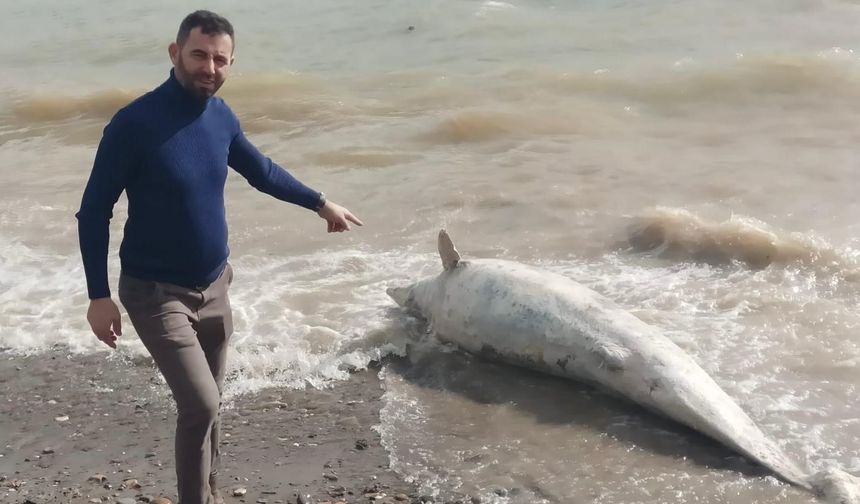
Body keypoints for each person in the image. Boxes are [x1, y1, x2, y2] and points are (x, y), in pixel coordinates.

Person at [76, 10, 363, 504]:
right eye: (199, 55)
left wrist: (320, 203)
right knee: (201, 405)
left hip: (215, 286)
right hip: (155, 293)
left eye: (220, 59)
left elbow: (263, 171)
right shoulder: (133, 124)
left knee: (212, 404)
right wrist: (99, 297)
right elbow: (93, 212)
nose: (209, 67)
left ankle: (209, 491)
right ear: (175, 53)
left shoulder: (221, 116)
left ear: (231, 63)